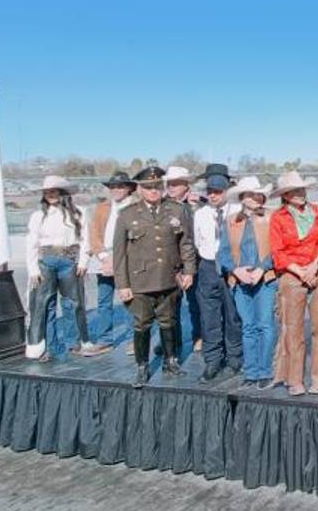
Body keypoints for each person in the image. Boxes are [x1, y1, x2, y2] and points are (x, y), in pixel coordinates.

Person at [113, 166, 197, 388]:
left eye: (157, 186)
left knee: (168, 321)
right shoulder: (127, 214)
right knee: (142, 324)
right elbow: (119, 255)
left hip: (169, 278)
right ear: (140, 189)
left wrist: (189, 270)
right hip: (140, 280)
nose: (154, 191)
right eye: (149, 187)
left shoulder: (176, 210)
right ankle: (143, 366)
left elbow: (185, 243)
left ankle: (171, 360)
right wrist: (123, 285)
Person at [25, 176, 110, 361]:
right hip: (46, 261)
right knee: (45, 304)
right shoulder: (38, 216)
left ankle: (76, 343)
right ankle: (48, 346)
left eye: (54, 191)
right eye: (47, 192)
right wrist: (33, 269)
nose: (50, 195)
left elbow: (85, 239)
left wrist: (83, 262)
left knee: (74, 303)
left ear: (63, 193)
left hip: (70, 261)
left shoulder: (78, 212)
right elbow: (31, 242)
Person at [270, 171, 318, 396]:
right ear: (285, 195)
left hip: (317, 269)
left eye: (301, 189)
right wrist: (300, 271)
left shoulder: (317, 212)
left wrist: (315, 265)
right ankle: (293, 378)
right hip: (292, 274)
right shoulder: (278, 218)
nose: (299, 194)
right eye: (294, 191)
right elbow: (278, 252)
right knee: (293, 328)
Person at [220, 177, 279, 389]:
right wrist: (236, 270)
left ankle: (265, 371)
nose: (255, 197)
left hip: (265, 277)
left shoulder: (272, 217)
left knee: (265, 324)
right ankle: (251, 371)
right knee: (248, 326)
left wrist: (263, 268)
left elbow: (277, 247)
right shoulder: (231, 221)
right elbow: (224, 252)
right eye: (250, 194)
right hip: (240, 279)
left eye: (258, 194)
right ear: (243, 197)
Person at [193, 165, 241, 382]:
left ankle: (234, 358)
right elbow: (197, 241)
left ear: (227, 191)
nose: (213, 195)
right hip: (208, 267)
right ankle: (213, 360)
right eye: (210, 191)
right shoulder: (201, 214)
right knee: (209, 316)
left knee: (232, 315)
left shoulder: (238, 211)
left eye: (218, 191)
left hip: (231, 267)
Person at [88, 171, 137, 346]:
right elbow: (94, 233)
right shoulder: (103, 207)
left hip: (128, 257)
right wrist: (103, 257)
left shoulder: (136, 206)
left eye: (120, 186)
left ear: (129, 188)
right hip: (104, 257)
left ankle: (134, 338)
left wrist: (117, 259)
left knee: (130, 299)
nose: (116, 190)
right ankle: (104, 339)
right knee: (104, 301)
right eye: (113, 187)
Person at [165, 164, 204, 353]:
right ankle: (172, 340)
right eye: (169, 183)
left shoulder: (198, 204)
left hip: (193, 259)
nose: (171, 187)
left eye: (176, 184)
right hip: (170, 261)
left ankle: (199, 335)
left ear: (186, 185)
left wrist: (196, 206)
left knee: (196, 302)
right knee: (169, 305)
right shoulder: (162, 205)